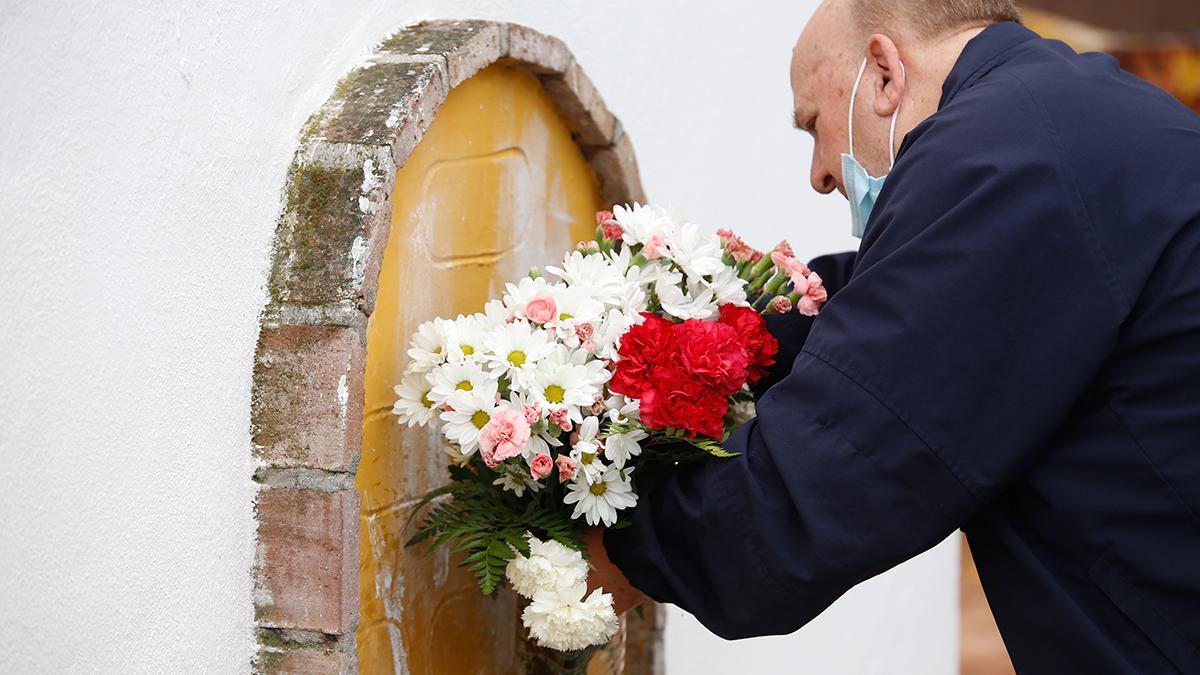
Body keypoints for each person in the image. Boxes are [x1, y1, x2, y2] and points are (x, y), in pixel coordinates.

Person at [590, 0, 1200, 672]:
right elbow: (869, 308)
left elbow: (817, 491)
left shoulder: (1003, 157)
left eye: (814, 126)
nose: (820, 174)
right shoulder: (1074, 117)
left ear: (883, 74)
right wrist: (691, 337)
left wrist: (614, 536)